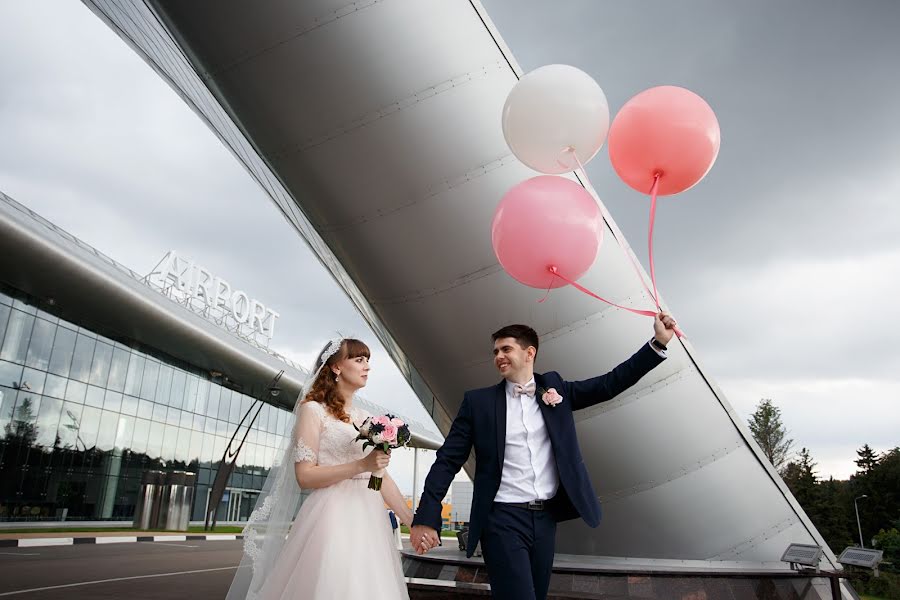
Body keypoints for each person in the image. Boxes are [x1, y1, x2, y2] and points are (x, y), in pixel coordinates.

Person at [410, 313, 678, 600]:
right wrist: (427, 513)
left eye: (506, 349)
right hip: (502, 520)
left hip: (545, 520)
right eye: (495, 352)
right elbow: (448, 460)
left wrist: (657, 343)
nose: (498, 356)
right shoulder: (478, 403)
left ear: (529, 353)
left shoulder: (555, 390)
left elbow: (609, 384)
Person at [226, 338, 413, 600]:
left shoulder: (364, 419)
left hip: (371, 520)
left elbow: (380, 478)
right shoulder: (312, 411)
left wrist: (413, 522)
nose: (367, 367)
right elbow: (305, 476)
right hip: (332, 516)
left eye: (368, 360)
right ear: (336, 367)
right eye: (359, 360)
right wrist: (361, 464)